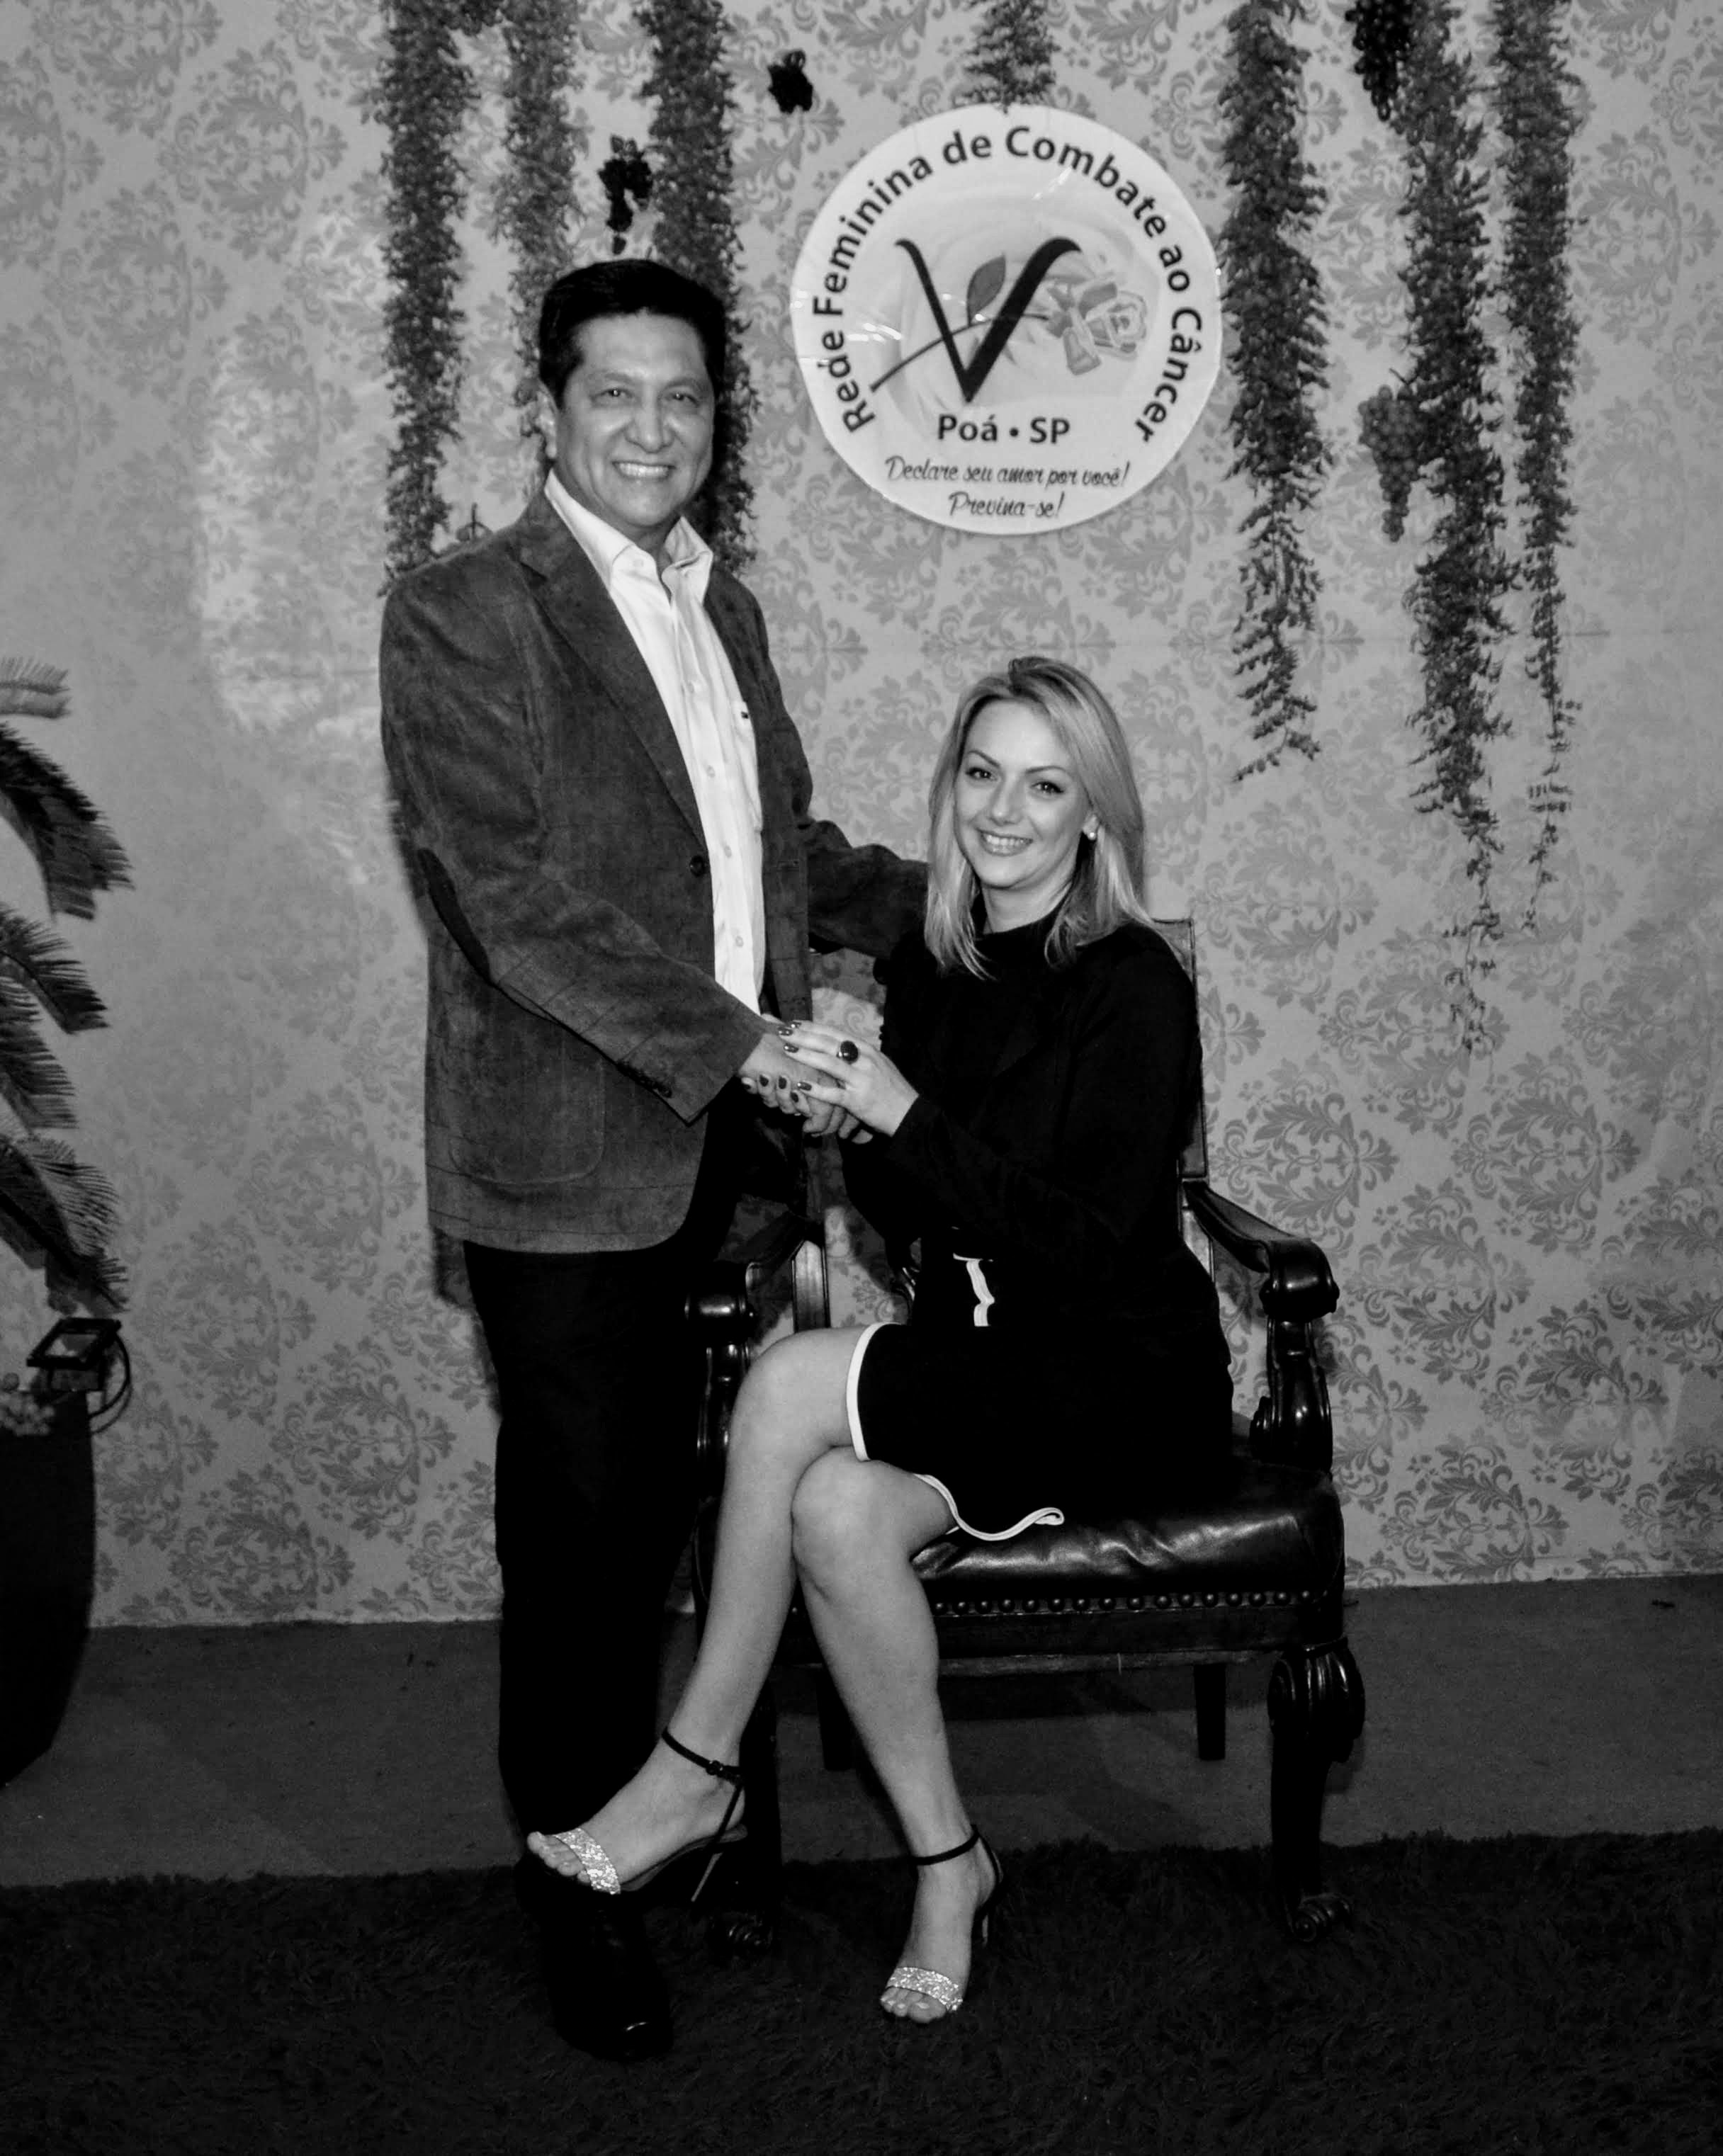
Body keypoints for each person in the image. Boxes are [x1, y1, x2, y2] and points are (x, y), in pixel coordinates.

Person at [378, 259, 923, 2062]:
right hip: (564, 1158)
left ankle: (675, 1809)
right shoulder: (463, 612)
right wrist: (744, 1043)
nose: (649, 426)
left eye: (682, 397)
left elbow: (771, 854)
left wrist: (987, 912)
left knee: (700, 1514)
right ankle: (576, 1886)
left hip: (726, 1167)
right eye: (611, 392)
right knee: (587, 1542)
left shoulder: (722, 605)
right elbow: (511, 903)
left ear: (716, 424)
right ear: (546, 410)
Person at [529, 656, 1235, 2024]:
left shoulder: (1134, 981)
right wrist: (846, 1119)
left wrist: (906, 1114)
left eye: (1047, 787)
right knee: (837, 1516)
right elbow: (924, 1212)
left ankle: (699, 1764)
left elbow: (1091, 1244)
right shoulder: (937, 963)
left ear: (1095, 814)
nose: (1005, 812)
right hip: (988, 1370)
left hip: (1118, 1378)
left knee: (793, 1380)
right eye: (983, 775)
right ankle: (950, 1864)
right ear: (951, 786)